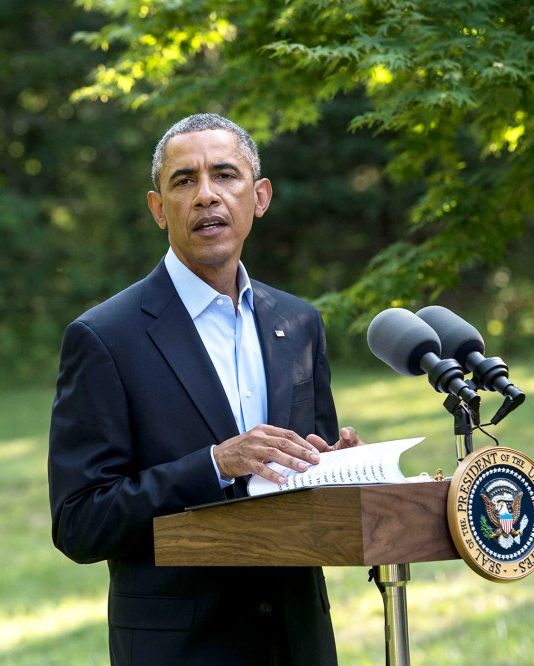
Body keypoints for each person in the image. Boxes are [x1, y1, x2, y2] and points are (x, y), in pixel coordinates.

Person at [48, 113, 362, 666]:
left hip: (297, 640)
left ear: (259, 196)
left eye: (225, 175)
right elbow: (80, 522)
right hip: (181, 649)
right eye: (184, 181)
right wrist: (215, 465)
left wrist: (337, 470)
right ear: (157, 207)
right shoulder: (104, 338)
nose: (206, 196)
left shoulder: (299, 322)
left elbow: (305, 490)